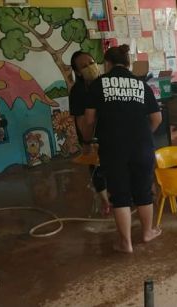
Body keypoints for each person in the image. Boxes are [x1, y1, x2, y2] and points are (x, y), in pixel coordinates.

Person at [82, 45, 163, 253]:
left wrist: (88, 139)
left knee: (120, 195)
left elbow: (90, 119)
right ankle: (147, 233)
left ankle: (125, 243)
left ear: (107, 64)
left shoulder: (98, 84)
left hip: (113, 146)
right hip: (141, 145)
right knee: (144, 191)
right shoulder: (141, 84)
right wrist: (145, 136)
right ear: (128, 63)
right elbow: (156, 118)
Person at [69, 51, 112, 215]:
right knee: (97, 169)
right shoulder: (78, 92)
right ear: (78, 72)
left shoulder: (105, 83)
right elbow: (81, 121)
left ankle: (117, 197)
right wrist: (87, 142)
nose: (90, 67)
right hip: (90, 136)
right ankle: (105, 202)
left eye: (92, 62)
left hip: (109, 132)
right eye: (84, 66)